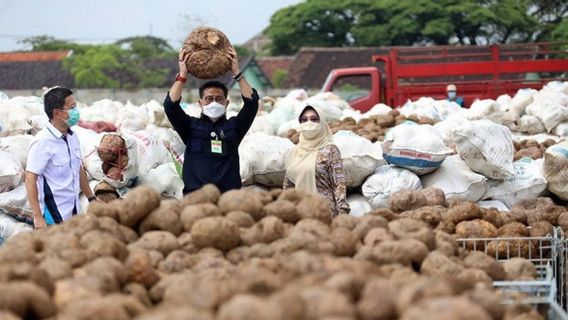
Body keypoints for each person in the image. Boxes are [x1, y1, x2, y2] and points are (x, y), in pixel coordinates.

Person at [164, 46, 259, 194]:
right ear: (200, 103)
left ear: (226, 103)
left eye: (219, 99)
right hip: (196, 198)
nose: (214, 102)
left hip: (228, 199)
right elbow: (170, 106)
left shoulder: (235, 127)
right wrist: (183, 75)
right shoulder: (190, 126)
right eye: (208, 99)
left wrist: (237, 73)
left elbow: (252, 103)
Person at [25, 87, 97, 229]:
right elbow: (30, 179)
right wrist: (38, 217)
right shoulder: (42, 142)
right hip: (53, 218)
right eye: (72, 107)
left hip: (73, 212)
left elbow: (78, 168)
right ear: (57, 113)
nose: (76, 111)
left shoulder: (72, 137)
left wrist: (91, 198)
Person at [283, 106, 350, 217]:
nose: (309, 123)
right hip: (300, 213)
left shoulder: (330, 150)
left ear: (322, 123)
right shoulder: (293, 153)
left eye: (314, 119)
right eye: (304, 120)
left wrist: (342, 212)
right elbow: (288, 187)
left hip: (325, 213)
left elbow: (339, 183)